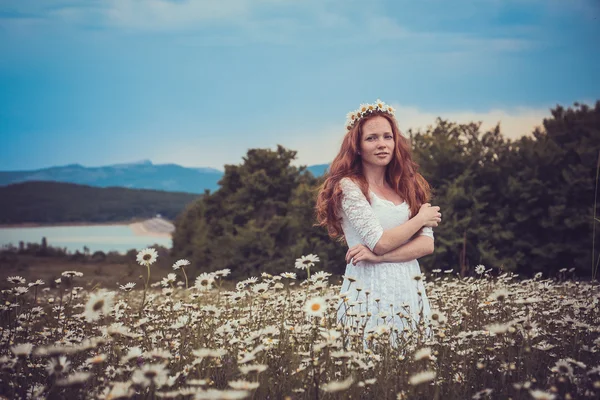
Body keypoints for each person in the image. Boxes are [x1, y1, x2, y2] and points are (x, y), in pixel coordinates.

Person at [315, 99, 442, 344]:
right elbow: (379, 242)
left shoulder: (408, 186)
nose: (382, 144)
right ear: (358, 147)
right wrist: (421, 219)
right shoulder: (349, 188)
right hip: (367, 287)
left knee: (414, 363)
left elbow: (427, 246)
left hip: (409, 285)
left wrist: (380, 258)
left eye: (387, 137)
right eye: (372, 138)